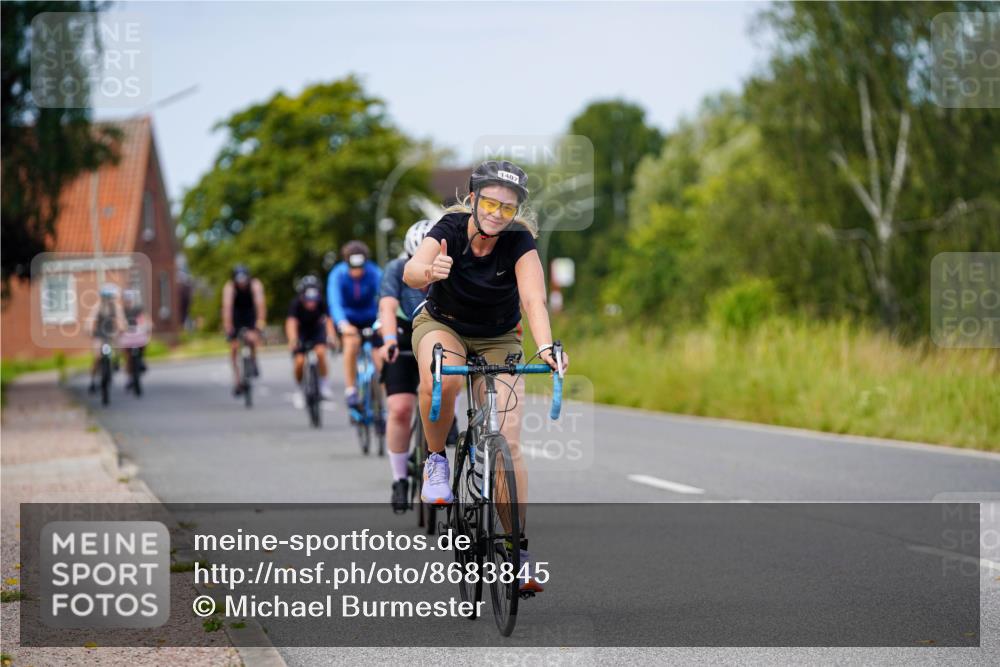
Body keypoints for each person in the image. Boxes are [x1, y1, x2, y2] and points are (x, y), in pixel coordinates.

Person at [403, 160, 570, 594]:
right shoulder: (450, 227)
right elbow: (412, 271)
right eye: (490, 203)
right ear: (474, 199)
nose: (497, 213)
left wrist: (547, 346)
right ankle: (436, 460)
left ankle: (517, 552)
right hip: (445, 324)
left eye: (508, 208)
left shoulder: (518, 241)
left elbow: (534, 299)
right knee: (446, 377)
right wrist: (429, 273)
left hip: (499, 336)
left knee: (509, 442)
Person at [378, 219, 436, 512]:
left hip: (438, 339)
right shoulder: (396, 269)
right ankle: (400, 478)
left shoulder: (450, 268)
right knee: (400, 409)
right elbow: (387, 306)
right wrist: (388, 339)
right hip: (402, 338)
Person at [327, 241, 382, 409]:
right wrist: (343, 324)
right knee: (351, 343)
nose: (357, 272)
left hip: (371, 317)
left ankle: (382, 404)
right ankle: (351, 389)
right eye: (353, 268)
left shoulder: (375, 272)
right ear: (346, 263)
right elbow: (334, 302)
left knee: (380, 355)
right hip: (348, 318)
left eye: (361, 267)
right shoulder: (337, 274)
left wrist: (381, 321)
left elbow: (385, 297)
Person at [286, 275, 337, 408]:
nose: (311, 302)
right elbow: (291, 323)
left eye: (314, 298)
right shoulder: (295, 304)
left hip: (316, 330)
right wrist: (292, 340)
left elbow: (329, 320)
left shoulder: (322, 302)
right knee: (299, 361)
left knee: (321, 353)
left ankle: (324, 385)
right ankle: (299, 389)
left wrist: (331, 336)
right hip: (301, 332)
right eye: (308, 299)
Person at [221, 265, 266, 396]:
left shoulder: (255, 285)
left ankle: (253, 360)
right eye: (239, 281)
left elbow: (260, 305)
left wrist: (260, 323)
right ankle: (237, 381)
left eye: (244, 280)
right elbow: (227, 307)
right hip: (236, 315)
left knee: (252, 338)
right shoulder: (229, 287)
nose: (241, 284)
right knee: (234, 348)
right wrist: (228, 327)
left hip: (250, 314)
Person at [88, 283, 126, 393]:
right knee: (97, 356)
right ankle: (93, 380)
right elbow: (91, 319)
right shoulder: (98, 307)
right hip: (99, 334)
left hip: (111, 333)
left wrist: (122, 327)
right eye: (107, 297)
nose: (110, 299)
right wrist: (90, 329)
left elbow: (120, 319)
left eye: (111, 297)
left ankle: (116, 361)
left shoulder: (116, 307)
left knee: (118, 345)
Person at [119, 288, 150, 390]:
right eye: (126, 299)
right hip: (127, 335)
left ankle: (142, 360)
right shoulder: (122, 310)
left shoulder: (138, 308)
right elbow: (119, 321)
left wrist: (148, 325)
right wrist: (121, 328)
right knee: (127, 356)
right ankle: (129, 377)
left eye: (130, 298)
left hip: (137, 334)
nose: (128, 301)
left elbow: (145, 318)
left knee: (144, 343)